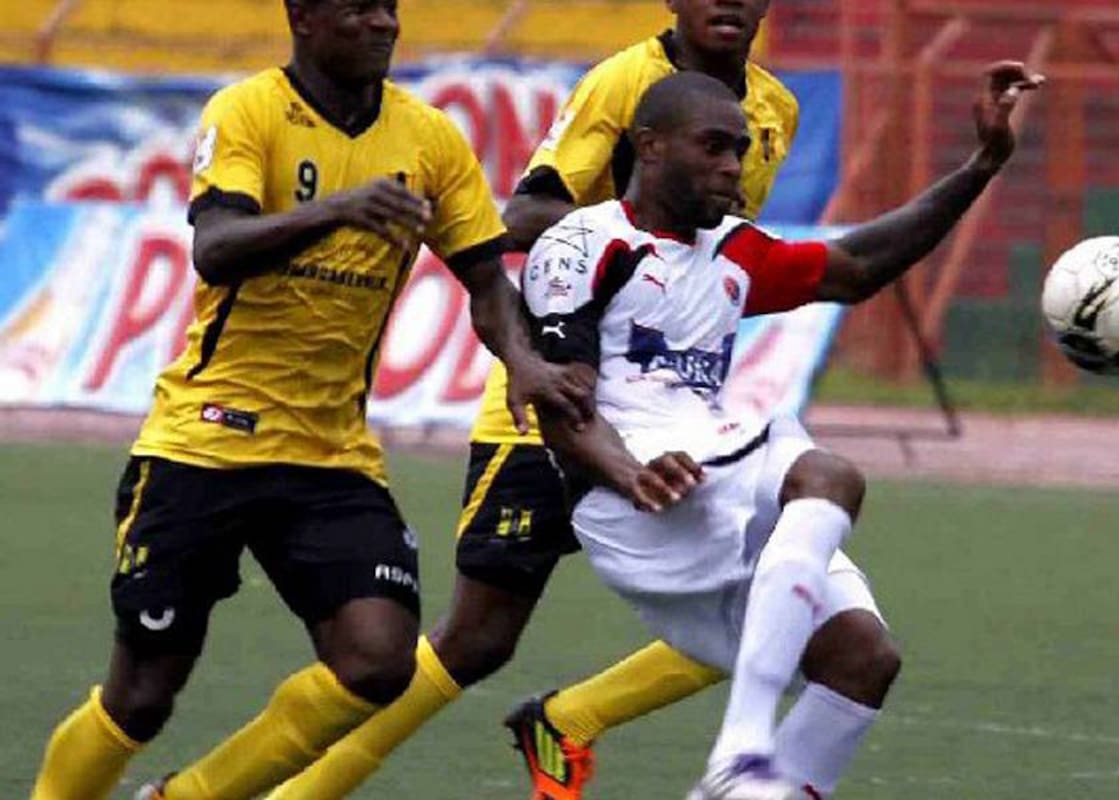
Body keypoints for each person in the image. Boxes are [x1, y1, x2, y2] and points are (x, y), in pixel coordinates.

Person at [261, 2, 901, 800]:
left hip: (673, 410)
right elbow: (528, 211)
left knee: (766, 576)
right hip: (561, 402)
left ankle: (577, 719)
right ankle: (299, 791)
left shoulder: (773, 106)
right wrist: (638, 242)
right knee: (478, 638)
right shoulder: (627, 82)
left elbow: (727, 246)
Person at [27, 0, 591, 798]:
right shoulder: (250, 109)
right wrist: (337, 208)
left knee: (378, 660)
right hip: (204, 441)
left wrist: (525, 362)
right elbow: (216, 249)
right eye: (359, 9)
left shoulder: (428, 138)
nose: (384, 24)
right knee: (144, 695)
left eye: (390, 9)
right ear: (304, 16)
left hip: (330, 455)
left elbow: (485, 280)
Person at [522, 65, 1041, 800]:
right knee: (828, 476)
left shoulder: (734, 250)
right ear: (651, 145)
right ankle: (742, 745)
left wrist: (981, 165)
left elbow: (855, 266)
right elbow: (558, 406)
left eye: (739, 148)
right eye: (713, 147)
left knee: (862, 660)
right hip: (630, 493)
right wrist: (627, 471)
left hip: (706, 464)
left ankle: (731, 785)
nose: (734, 165)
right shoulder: (585, 244)